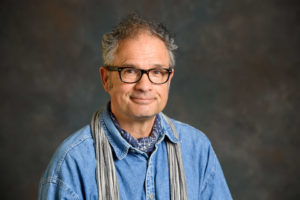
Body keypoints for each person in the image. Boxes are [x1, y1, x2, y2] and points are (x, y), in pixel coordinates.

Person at [38, 13, 233, 200]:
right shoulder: (72, 163)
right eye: (130, 71)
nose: (144, 86)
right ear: (106, 79)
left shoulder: (197, 149)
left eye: (157, 72)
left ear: (169, 79)